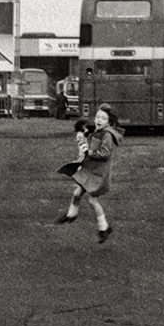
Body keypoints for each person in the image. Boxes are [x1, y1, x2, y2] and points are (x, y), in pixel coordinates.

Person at [55, 104, 124, 243]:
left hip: (99, 174)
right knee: (77, 193)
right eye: (98, 117)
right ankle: (71, 214)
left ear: (109, 122)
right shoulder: (99, 132)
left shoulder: (107, 135)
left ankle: (104, 227)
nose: (99, 120)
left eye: (103, 118)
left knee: (92, 200)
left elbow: (104, 154)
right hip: (91, 171)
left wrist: (89, 152)